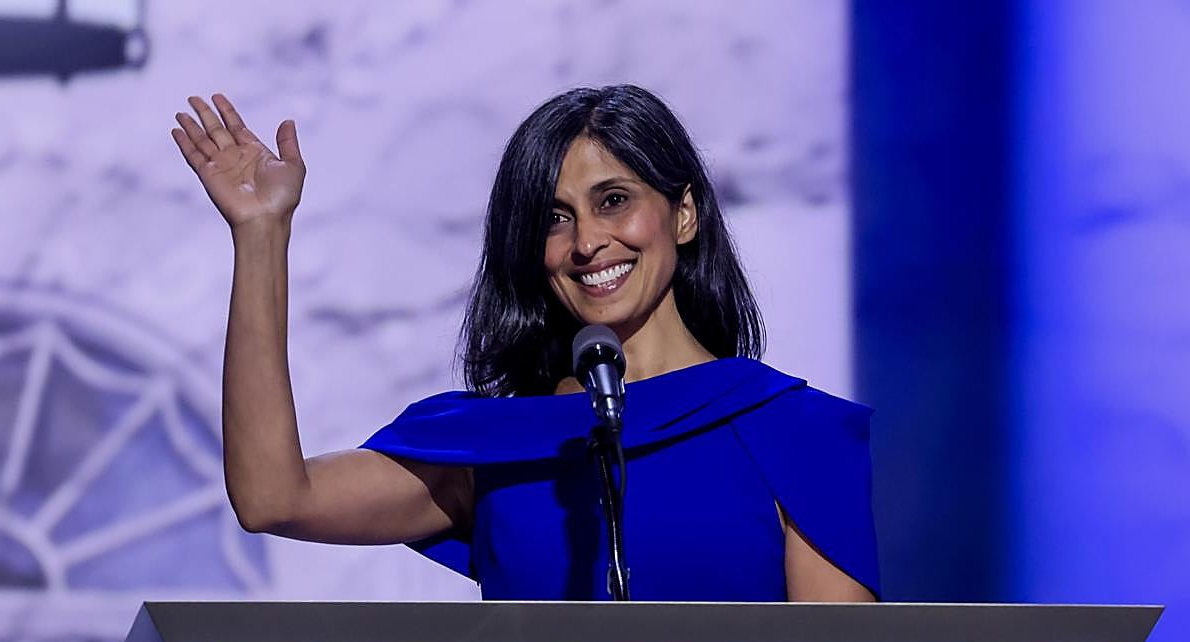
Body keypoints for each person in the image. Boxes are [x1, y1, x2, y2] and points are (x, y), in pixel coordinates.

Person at [171, 85, 878, 603]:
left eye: (613, 201)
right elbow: (272, 498)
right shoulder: (498, 443)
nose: (587, 243)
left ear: (684, 214)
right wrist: (261, 234)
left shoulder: (792, 431)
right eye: (553, 219)